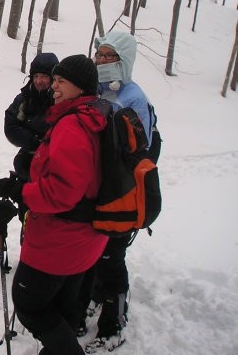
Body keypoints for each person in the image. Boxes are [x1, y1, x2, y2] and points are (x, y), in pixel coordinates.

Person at [0, 54, 108, 354]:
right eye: (53, 80)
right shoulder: (94, 116)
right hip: (86, 237)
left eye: (61, 81)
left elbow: (61, 192)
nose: (53, 87)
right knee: (65, 304)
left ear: (81, 87)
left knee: (28, 301)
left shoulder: (73, 126)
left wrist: (22, 192)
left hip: (62, 237)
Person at [80, 31, 157, 353]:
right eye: (99, 55)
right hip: (94, 188)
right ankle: (96, 296)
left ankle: (114, 322)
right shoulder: (92, 91)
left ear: (123, 60)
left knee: (112, 257)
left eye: (109, 56)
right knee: (94, 252)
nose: (101, 61)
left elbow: (141, 151)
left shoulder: (134, 97)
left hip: (120, 192)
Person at [4, 52, 59, 178]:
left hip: (53, 164)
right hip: (27, 160)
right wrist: (35, 141)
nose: (39, 81)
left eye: (44, 76)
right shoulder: (25, 98)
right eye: (36, 76)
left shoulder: (60, 100)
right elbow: (11, 126)